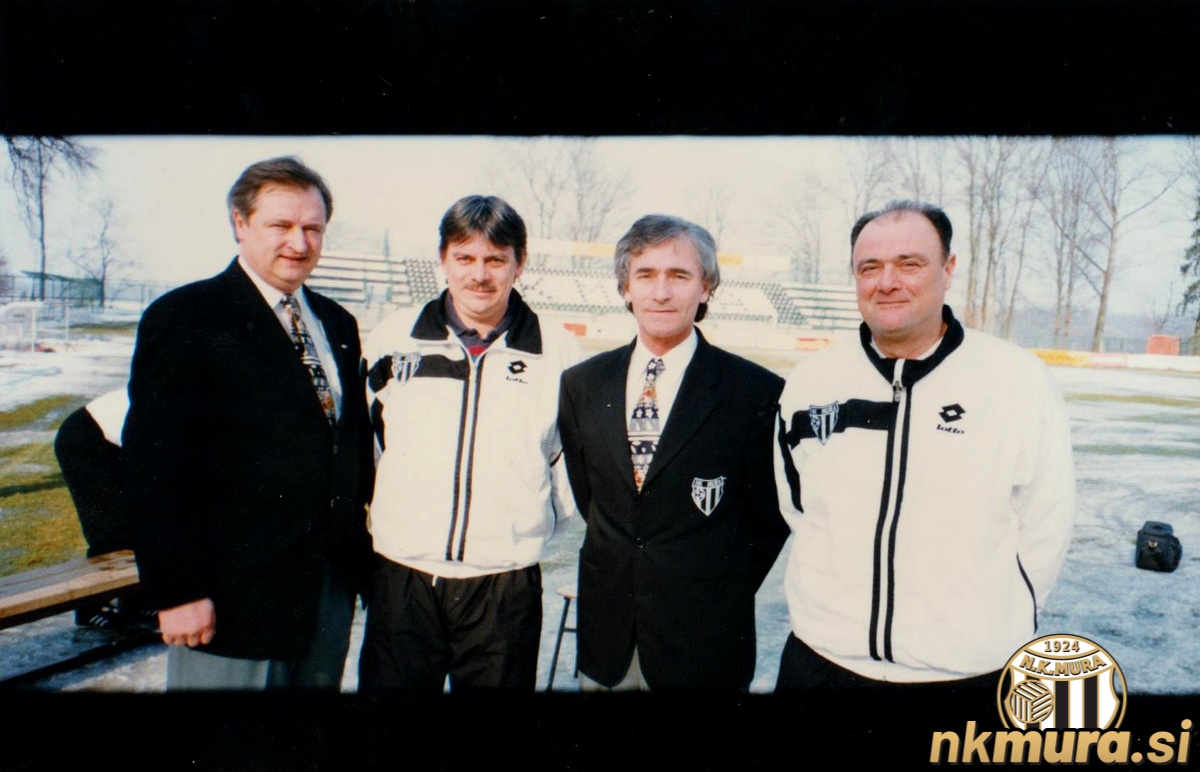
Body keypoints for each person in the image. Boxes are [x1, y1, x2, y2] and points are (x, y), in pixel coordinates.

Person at [773, 200, 1076, 692]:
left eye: (909, 264)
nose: (887, 281)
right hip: (824, 662)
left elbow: (1046, 524)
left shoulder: (1017, 381)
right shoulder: (811, 382)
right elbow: (798, 507)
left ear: (948, 269)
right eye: (869, 267)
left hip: (967, 672)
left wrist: (984, 626)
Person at [122, 156, 374, 690]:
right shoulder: (186, 318)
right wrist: (177, 590)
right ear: (240, 223)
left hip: (323, 595)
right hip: (230, 599)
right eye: (281, 226)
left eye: (313, 228)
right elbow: (154, 469)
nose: (299, 243)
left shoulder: (337, 322)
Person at [357, 194, 582, 692]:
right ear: (443, 260)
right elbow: (370, 446)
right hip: (404, 574)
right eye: (465, 258)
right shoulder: (394, 339)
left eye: (495, 260)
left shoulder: (560, 350)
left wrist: (522, 529)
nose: (479, 274)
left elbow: (569, 464)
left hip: (504, 582)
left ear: (519, 263)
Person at [558, 214, 789, 691]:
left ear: (706, 288)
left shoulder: (756, 392)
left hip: (705, 645)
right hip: (609, 644)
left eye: (679, 276)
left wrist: (712, 588)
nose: (661, 292)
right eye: (646, 275)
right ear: (625, 287)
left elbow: (769, 520)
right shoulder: (582, 384)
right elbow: (597, 502)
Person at [54, 388, 153, 632]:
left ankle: (136, 604)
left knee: (140, 525)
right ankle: (90, 609)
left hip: (114, 441)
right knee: (110, 531)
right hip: (86, 439)